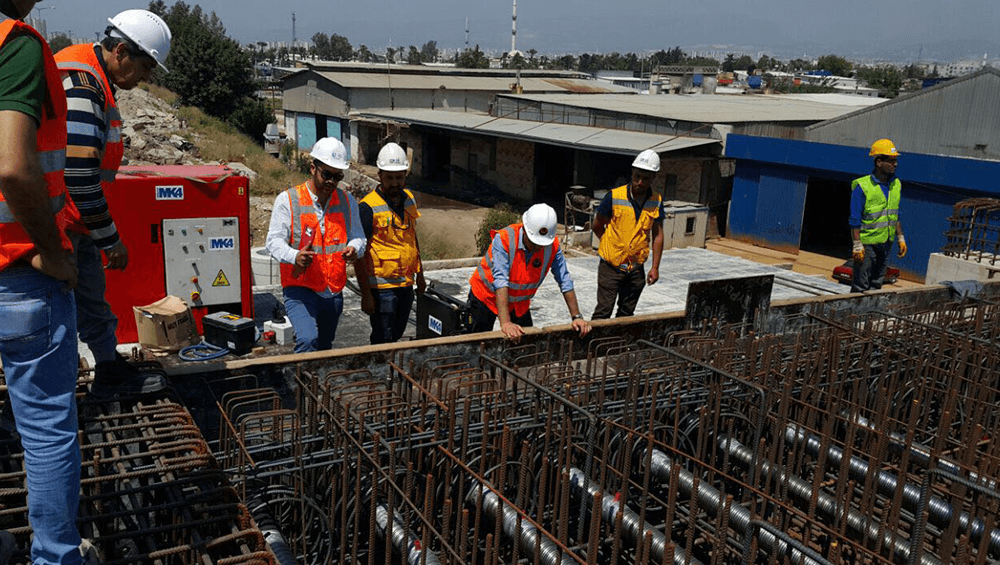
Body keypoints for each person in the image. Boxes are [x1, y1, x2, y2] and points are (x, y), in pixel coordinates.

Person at [0, 1, 94, 563]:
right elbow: (13, 165)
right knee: (46, 427)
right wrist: (51, 250)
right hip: (20, 278)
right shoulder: (15, 42)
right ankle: (57, 555)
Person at [54, 9, 172, 397]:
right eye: (144, 67)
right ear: (120, 50)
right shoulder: (82, 84)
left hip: (73, 223)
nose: (146, 78)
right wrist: (110, 239)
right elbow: (78, 174)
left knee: (91, 299)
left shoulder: (95, 78)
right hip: (54, 225)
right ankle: (50, 397)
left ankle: (107, 368)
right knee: (55, 315)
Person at [266, 137, 365, 353]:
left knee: (324, 345)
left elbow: (359, 236)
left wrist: (354, 248)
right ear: (313, 168)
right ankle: (300, 384)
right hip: (300, 287)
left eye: (337, 176)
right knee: (308, 339)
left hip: (333, 290)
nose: (331, 181)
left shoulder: (347, 202)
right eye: (326, 175)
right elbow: (273, 241)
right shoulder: (288, 200)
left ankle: (315, 381)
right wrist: (294, 256)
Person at [468, 203, 591, 340]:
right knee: (478, 342)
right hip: (486, 296)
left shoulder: (552, 246)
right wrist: (506, 323)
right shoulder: (504, 239)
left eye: (542, 244)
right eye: (534, 243)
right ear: (525, 230)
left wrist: (577, 316)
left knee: (527, 342)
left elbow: (564, 280)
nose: (538, 248)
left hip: (518, 303)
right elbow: (500, 280)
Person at [355, 143, 426, 344]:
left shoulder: (410, 199)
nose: (395, 183)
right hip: (381, 289)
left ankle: (389, 370)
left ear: (405, 175)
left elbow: (413, 239)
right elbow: (360, 254)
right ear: (380, 176)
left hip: (406, 284)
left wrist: (420, 276)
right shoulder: (368, 207)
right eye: (390, 178)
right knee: (382, 338)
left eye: (399, 177)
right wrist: (366, 294)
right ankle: (381, 373)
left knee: (396, 335)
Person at [591, 149, 665, 319]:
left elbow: (658, 235)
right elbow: (597, 225)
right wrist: (610, 243)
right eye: (637, 176)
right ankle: (594, 344)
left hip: (635, 269)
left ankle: (618, 344)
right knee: (603, 311)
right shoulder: (614, 197)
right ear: (632, 173)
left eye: (645, 178)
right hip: (611, 267)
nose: (640, 182)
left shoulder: (657, 201)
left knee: (626, 313)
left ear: (654, 177)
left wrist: (655, 267)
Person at [849, 138, 907, 293]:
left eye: (896, 161)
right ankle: (854, 316)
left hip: (886, 243)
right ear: (879, 162)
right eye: (891, 161)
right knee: (861, 285)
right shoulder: (862, 186)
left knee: (876, 284)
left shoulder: (896, 185)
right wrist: (857, 244)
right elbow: (854, 218)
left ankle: (870, 316)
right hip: (867, 245)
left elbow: (895, 214)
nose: (895, 164)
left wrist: (900, 238)